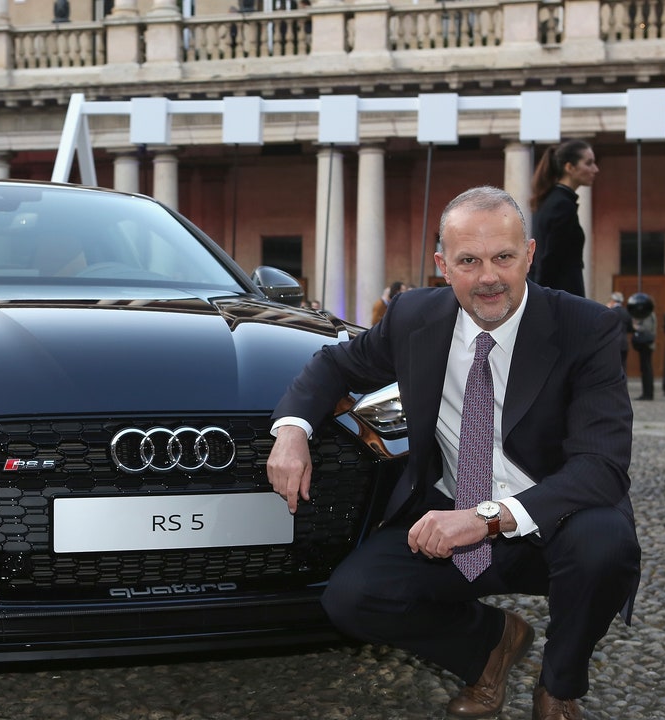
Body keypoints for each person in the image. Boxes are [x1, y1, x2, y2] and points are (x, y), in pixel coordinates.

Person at [267, 186, 640, 720]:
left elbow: (600, 468)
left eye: (503, 258)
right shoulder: (414, 317)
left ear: (529, 255)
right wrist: (292, 430)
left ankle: (559, 685)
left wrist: (487, 518)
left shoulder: (586, 328)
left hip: (553, 520)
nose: (489, 277)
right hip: (447, 512)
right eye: (469, 261)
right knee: (351, 598)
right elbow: (333, 365)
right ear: (443, 265)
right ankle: (491, 646)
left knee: (606, 546)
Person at [529, 139, 598, 297]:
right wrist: (539, 299)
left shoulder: (553, 200)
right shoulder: (561, 204)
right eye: (589, 163)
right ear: (569, 168)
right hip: (562, 298)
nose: (595, 169)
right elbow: (550, 259)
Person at [631, 310, 655, 401]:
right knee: (645, 369)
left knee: (647, 369)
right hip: (646, 345)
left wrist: (635, 326)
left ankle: (647, 394)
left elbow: (647, 328)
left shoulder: (648, 314)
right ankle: (646, 393)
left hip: (647, 345)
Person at [606, 291, 630, 368]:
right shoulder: (626, 312)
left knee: (613, 366)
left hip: (612, 342)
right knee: (623, 365)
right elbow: (630, 328)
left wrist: (606, 309)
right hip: (624, 342)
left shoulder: (610, 311)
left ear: (613, 300)